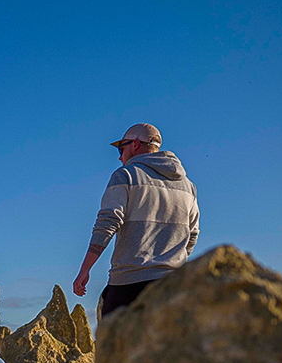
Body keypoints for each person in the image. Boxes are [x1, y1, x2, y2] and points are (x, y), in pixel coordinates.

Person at [73, 123, 200, 317]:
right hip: (173, 285)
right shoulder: (188, 186)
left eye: (121, 148)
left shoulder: (126, 175)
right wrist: (173, 261)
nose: (119, 156)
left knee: (117, 345)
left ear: (135, 145)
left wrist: (85, 270)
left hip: (129, 283)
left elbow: (107, 223)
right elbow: (192, 234)